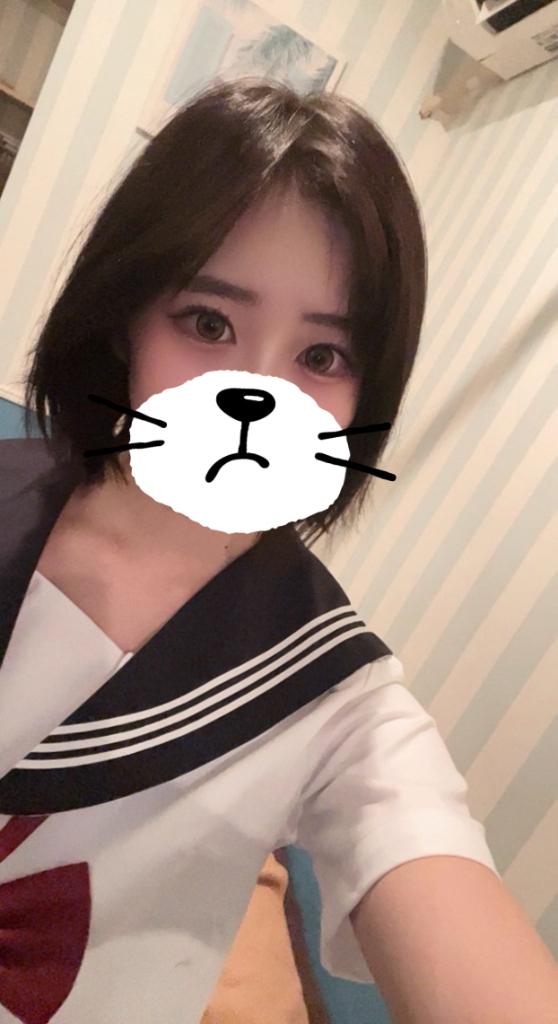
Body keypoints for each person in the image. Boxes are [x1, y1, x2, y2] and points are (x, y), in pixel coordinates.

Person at [0, 77, 556, 1024]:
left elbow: (425, 855)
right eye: (208, 322)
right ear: (126, 317)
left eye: (321, 358)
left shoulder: (340, 700)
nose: (253, 398)